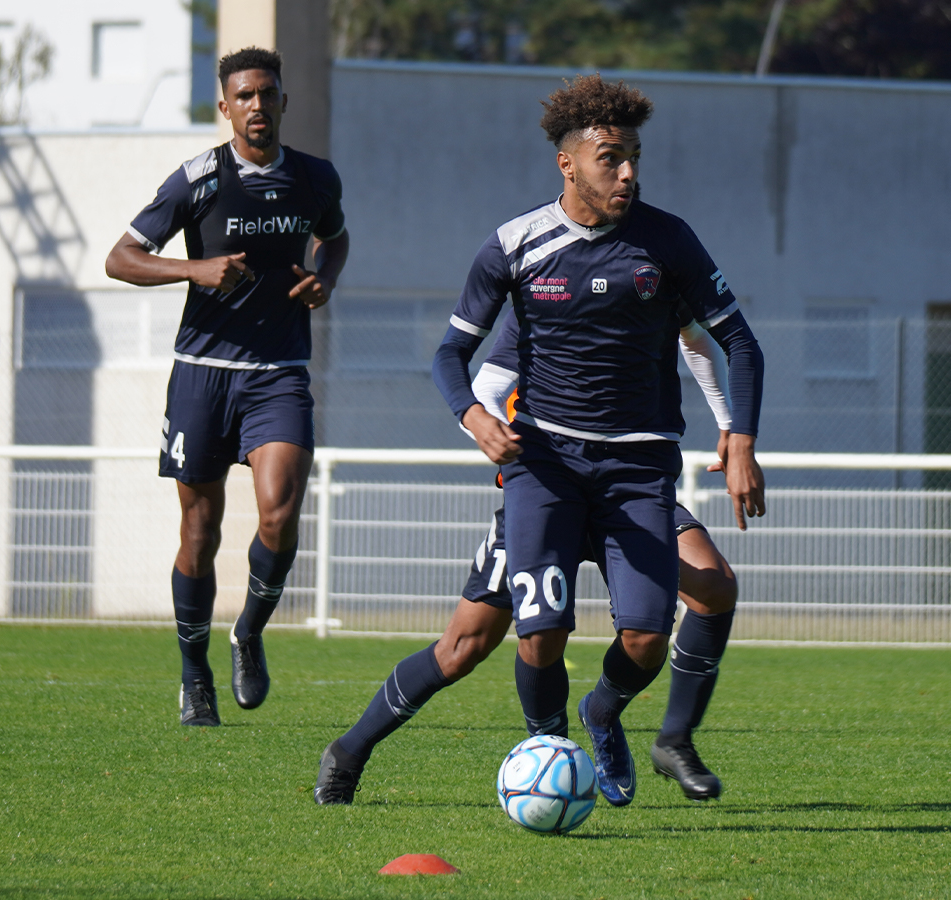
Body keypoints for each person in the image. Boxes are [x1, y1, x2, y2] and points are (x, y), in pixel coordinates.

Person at [438, 74, 763, 808]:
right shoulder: (519, 248)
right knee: (530, 634)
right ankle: (546, 747)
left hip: (636, 470)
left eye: (635, 157)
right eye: (612, 158)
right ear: (569, 163)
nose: (628, 173)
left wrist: (737, 436)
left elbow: (733, 341)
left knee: (651, 634)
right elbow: (451, 358)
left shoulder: (667, 240)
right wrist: (474, 417)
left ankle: (606, 713)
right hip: (547, 468)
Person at [315, 308, 740, 804]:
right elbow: (482, 387)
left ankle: (640, 726)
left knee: (713, 586)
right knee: (464, 648)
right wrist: (488, 429)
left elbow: (696, 337)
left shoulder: (639, 284)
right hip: (546, 495)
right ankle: (349, 752)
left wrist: (729, 425)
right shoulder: (538, 300)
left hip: (628, 486)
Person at [104, 47, 349, 727]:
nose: (256, 106)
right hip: (202, 375)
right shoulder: (197, 180)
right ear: (225, 106)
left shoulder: (313, 178)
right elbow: (119, 258)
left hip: (279, 374)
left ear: (282, 102)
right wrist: (195, 271)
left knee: (279, 511)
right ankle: (194, 674)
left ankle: (248, 631)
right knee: (200, 529)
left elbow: (336, 238)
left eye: (267, 94)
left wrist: (325, 277)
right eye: (243, 96)